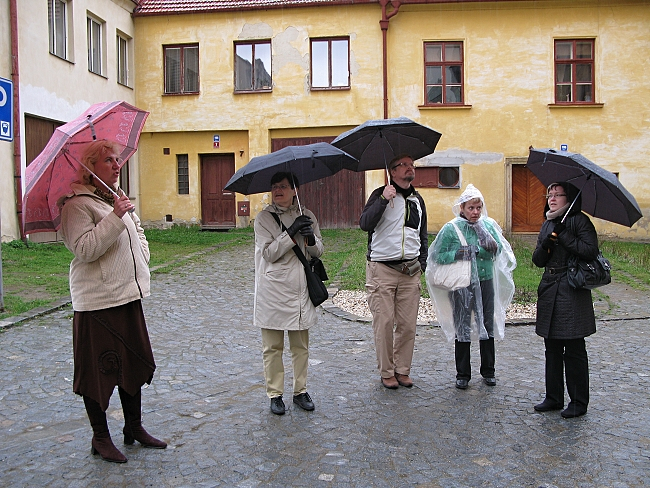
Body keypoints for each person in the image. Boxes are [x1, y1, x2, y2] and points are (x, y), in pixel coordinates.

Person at [58, 140, 166, 463]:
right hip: (97, 304)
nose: (117, 165)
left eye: (118, 159)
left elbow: (137, 232)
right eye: (108, 160)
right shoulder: (75, 205)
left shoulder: (113, 199)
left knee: (133, 362)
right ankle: (100, 437)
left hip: (126, 296)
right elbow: (85, 248)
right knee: (99, 370)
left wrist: (141, 258)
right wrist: (117, 217)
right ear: (90, 168)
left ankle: (134, 427)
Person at [426, 184, 516, 390]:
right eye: (471, 208)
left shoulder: (488, 226)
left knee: (487, 324)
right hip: (462, 284)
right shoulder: (451, 229)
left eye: (478, 208)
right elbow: (437, 256)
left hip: (485, 281)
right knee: (462, 326)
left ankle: (489, 371)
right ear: (462, 208)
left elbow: (498, 250)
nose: (475, 212)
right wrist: (459, 253)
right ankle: (463, 373)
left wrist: (486, 248)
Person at [253, 172, 324, 415]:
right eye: (275, 187)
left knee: (300, 346)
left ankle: (300, 391)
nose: (278, 191)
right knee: (272, 347)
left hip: (299, 289)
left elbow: (318, 251)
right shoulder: (264, 218)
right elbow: (269, 253)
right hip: (272, 291)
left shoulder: (308, 214)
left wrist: (310, 237)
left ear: (294, 190)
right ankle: (275, 394)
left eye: (284, 186)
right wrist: (291, 232)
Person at [360, 154, 428, 389]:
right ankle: (387, 371)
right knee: (385, 323)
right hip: (382, 269)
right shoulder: (380, 194)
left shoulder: (418, 200)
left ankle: (402, 369)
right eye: (405, 165)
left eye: (412, 165)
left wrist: (423, 263)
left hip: (410, 270)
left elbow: (422, 235)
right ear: (392, 171)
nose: (410, 169)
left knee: (408, 325)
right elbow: (365, 223)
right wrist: (382, 199)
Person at [532, 182, 598, 418]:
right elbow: (538, 260)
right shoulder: (548, 222)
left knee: (573, 347)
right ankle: (554, 397)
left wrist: (564, 236)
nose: (552, 198)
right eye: (549, 194)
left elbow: (590, 250)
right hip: (550, 288)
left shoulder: (579, 221)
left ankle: (579, 402)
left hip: (571, 289)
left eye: (557, 195)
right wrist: (547, 245)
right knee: (551, 346)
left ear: (568, 197)